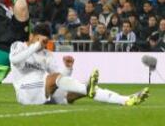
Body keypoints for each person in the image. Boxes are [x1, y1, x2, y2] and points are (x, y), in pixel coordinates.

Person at [9, 23, 149, 106]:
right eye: (41, 41)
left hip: (44, 89)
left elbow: (60, 79)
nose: (43, 45)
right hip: (25, 91)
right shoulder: (19, 46)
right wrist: (34, 46)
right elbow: (15, 61)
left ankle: (125, 100)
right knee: (59, 80)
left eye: (45, 42)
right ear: (32, 36)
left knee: (79, 92)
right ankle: (88, 87)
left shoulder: (47, 55)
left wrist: (68, 69)